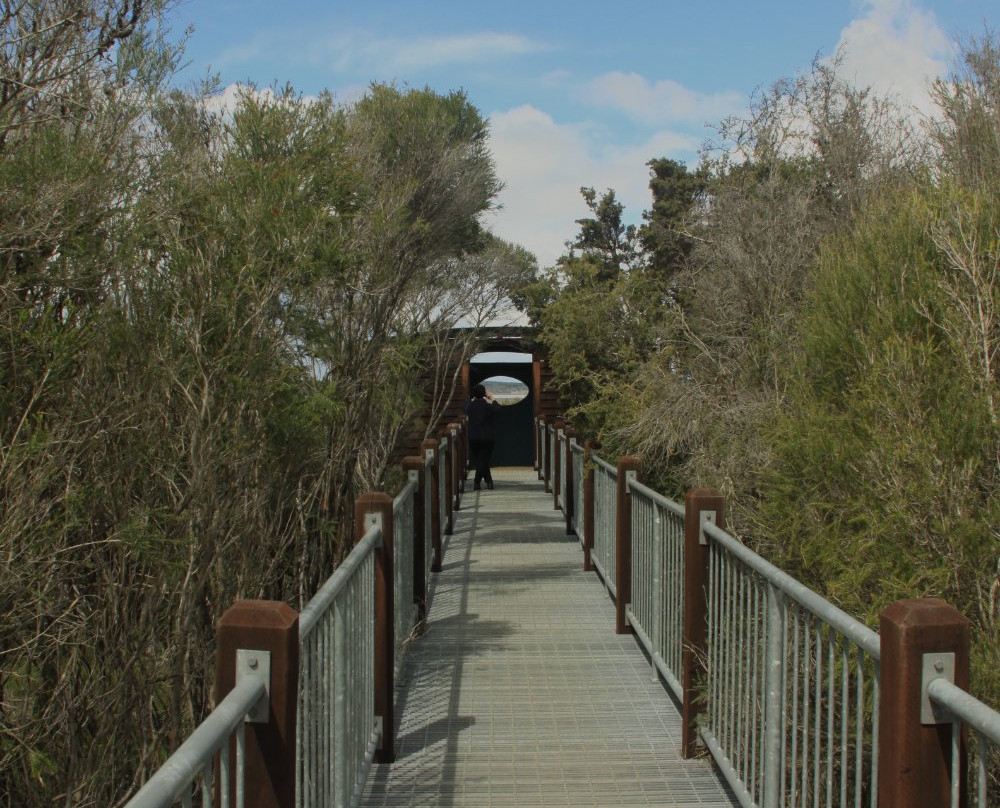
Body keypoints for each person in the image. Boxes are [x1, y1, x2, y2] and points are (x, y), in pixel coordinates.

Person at [464, 383, 501, 490]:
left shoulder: (470, 406)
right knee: (483, 460)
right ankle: (477, 483)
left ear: (474, 394)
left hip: (473, 438)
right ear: (484, 394)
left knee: (480, 460)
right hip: (487, 438)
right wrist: (492, 398)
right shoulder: (487, 406)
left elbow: (466, 406)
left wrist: (473, 398)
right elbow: (498, 408)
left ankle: (489, 482)